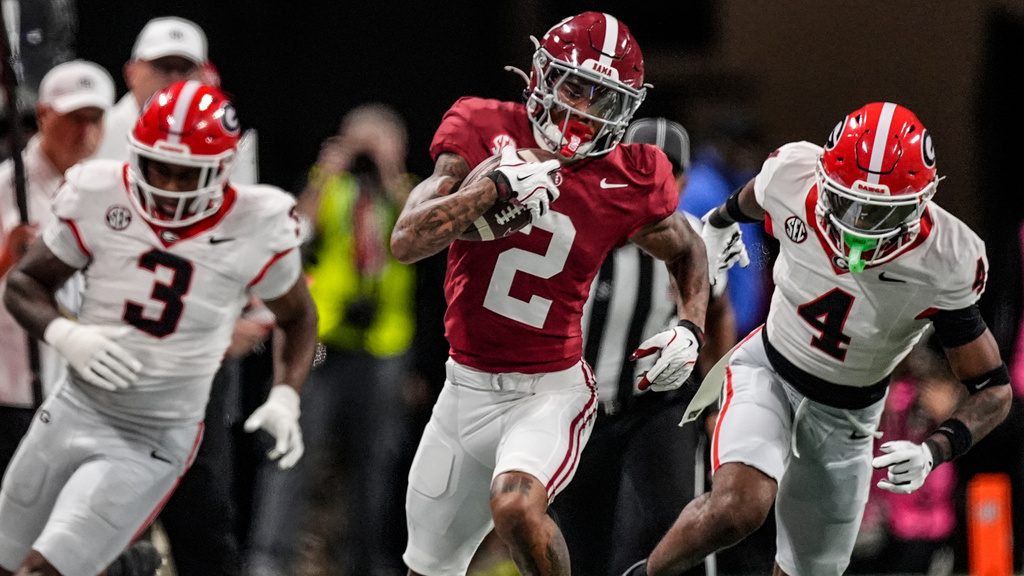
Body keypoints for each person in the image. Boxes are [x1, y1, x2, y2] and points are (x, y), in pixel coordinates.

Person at [622, 102, 1013, 576]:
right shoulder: (792, 175)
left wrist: (936, 448)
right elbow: (751, 197)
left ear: (920, 204)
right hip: (769, 371)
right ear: (824, 177)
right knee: (739, 507)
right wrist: (722, 222)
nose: (859, 225)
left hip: (848, 416)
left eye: (879, 212)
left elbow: (993, 387)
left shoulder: (945, 259)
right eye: (849, 201)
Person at [389, 12, 710, 576]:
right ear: (540, 76)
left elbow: (688, 248)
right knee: (425, 568)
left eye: (604, 98)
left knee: (516, 505)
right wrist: (492, 188)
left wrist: (691, 324)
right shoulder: (483, 127)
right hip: (463, 386)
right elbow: (408, 240)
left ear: (628, 108)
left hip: (550, 390)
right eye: (575, 86)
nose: (585, 109)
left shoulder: (626, 176)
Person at [0, 80, 318, 576]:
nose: (168, 187)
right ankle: (129, 566)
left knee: (46, 570)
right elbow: (23, 284)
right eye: (158, 169)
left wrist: (286, 396)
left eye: (185, 174)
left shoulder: (258, 222)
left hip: (153, 435)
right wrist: (67, 335)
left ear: (220, 170)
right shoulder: (98, 191)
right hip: (73, 408)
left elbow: (298, 317)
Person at [92, 17, 268, 575]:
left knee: (203, 499)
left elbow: (239, 240)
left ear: (205, 74)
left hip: (197, 346)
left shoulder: (224, 135)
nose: (171, 79)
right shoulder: (96, 131)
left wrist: (242, 317)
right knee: (104, 499)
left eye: (183, 68)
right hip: (113, 346)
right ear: (132, 72)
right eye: (161, 67)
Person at [550, 117, 735, 576]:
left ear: (684, 180)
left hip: (657, 404)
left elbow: (719, 312)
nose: (653, 178)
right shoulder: (581, 225)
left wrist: (716, 400)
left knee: (682, 529)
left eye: (666, 168)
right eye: (641, 164)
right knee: (579, 542)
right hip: (580, 405)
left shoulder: (698, 239)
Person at [245, 103, 417, 576]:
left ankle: (368, 562)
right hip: (322, 343)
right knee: (289, 449)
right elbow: (293, 231)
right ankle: (267, 561)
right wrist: (325, 174)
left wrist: (390, 171)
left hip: (384, 347)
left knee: (375, 465)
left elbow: (422, 238)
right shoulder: (332, 188)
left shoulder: (408, 195)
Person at [1, 59, 114, 471]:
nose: (84, 131)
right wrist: (6, 256)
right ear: (44, 115)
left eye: (94, 118)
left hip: (84, 390)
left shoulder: (112, 190)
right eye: (73, 118)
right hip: (12, 390)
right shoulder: (6, 188)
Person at [678, 113, 772, 337]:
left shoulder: (742, 186)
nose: (747, 155)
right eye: (742, 147)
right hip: (707, 328)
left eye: (751, 148)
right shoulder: (698, 189)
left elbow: (751, 253)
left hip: (740, 325)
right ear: (723, 146)